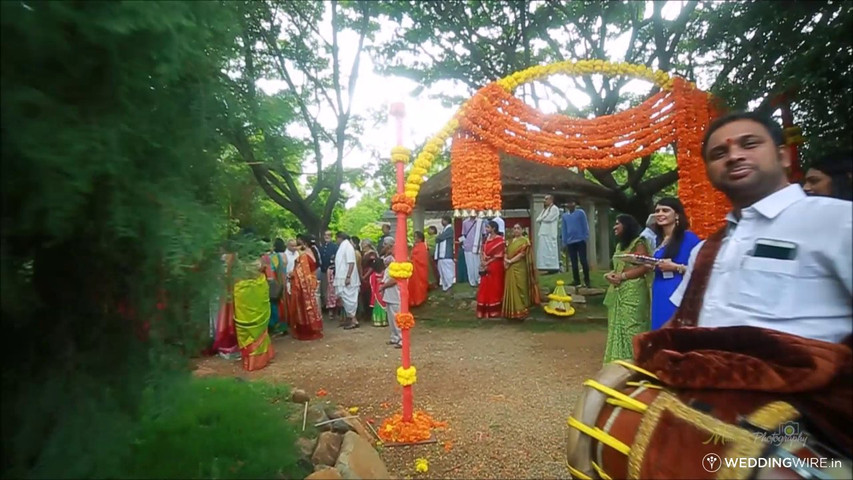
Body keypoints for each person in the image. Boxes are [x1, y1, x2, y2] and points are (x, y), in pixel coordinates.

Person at [669, 111, 852, 343]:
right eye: (719, 153)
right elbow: (683, 322)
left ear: (783, 156)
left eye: (750, 144)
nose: (734, 156)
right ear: (709, 173)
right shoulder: (706, 250)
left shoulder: (838, 221)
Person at [646, 197, 701, 330]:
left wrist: (675, 267)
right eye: (657, 211)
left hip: (677, 289)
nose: (660, 214)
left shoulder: (689, 238)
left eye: (665, 210)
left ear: (676, 214)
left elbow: (701, 269)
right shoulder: (659, 239)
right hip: (659, 289)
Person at [602, 214, 651, 363]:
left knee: (632, 327)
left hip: (633, 291)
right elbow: (616, 268)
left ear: (627, 225)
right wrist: (608, 276)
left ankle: (635, 363)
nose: (614, 227)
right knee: (617, 327)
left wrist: (622, 276)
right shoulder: (619, 246)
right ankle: (616, 363)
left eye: (618, 224)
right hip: (618, 289)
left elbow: (645, 266)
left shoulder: (639, 243)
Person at [233, 251, 275, 371]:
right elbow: (268, 273)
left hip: (243, 292)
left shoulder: (235, 258)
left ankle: (250, 358)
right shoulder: (261, 258)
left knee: (246, 326)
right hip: (258, 290)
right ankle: (260, 358)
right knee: (259, 326)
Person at [288, 234, 323, 340]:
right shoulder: (311, 251)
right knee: (314, 303)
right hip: (312, 280)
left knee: (304, 306)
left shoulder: (303, 256)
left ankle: (307, 329)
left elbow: (301, 272)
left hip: (304, 283)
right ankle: (314, 326)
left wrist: (292, 274)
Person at [502, 224, 540, 320]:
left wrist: (510, 261)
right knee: (511, 287)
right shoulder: (509, 241)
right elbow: (506, 252)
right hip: (510, 268)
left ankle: (522, 309)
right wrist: (506, 261)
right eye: (514, 228)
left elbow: (522, 254)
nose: (516, 230)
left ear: (522, 230)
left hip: (520, 267)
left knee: (521, 287)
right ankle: (511, 311)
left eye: (518, 228)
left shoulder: (525, 241)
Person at [476, 220, 506, 318]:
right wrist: (483, 261)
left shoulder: (500, 240)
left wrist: (487, 262)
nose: (486, 229)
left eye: (488, 227)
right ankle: (484, 311)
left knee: (495, 286)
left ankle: (494, 311)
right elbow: (482, 251)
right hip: (486, 265)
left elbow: (499, 255)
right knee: (484, 286)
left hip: (496, 266)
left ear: (494, 228)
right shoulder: (486, 239)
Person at [333, 231, 361, 329]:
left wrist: (348, 277)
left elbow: (351, 262)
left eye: (336, 238)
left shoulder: (348, 247)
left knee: (350, 299)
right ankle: (350, 319)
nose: (335, 241)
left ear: (340, 238)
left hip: (348, 278)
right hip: (342, 277)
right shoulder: (343, 247)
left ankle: (354, 320)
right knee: (345, 298)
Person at [561, 198, 591, 287]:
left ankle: (587, 280)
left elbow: (585, 225)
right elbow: (564, 229)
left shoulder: (580, 213)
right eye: (568, 203)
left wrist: (585, 236)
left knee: (583, 260)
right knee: (573, 262)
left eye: (572, 202)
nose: (570, 204)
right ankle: (576, 280)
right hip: (570, 242)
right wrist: (564, 241)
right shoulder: (564, 216)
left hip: (580, 240)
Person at [378, 256, 402, 348]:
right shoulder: (389, 267)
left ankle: (401, 339)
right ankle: (394, 337)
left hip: (395, 295)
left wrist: (383, 287)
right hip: (389, 296)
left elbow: (395, 280)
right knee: (391, 319)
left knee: (396, 317)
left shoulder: (397, 266)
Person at [267, 238, 289, 336]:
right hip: (281, 283)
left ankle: (276, 327)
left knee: (275, 305)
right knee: (282, 304)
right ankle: (283, 326)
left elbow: (271, 270)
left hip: (275, 284)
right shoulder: (282, 256)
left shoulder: (273, 257)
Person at [535, 194, 560, 273]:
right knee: (543, 250)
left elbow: (549, 219)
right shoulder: (545, 210)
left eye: (546, 199)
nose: (544, 201)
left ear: (551, 200)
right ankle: (544, 267)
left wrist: (542, 219)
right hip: (543, 232)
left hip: (550, 233)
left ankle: (553, 267)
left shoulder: (554, 209)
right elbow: (537, 219)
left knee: (551, 250)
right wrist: (542, 219)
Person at [460, 214, 484, 287]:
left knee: (477, 264)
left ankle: (479, 280)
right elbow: (463, 234)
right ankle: (472, 282)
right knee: (469, 265)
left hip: (477, 246)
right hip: (468, 246)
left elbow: (484, 233)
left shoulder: (480, 222)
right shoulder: (465, 222)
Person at [358, 239, 378, 323]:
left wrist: (365, 276)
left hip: (368, 275)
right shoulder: (363, 254)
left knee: (369, 294)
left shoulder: (371, 254)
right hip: (363, 274)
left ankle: (369, 313)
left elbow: (372, 266)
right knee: (364, 295)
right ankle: (365, 312)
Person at [434, 216, 455, 292]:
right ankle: (445, 287)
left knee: (448, 271)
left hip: (446, 254)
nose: (441, 222)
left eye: (443, 220)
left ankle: (450, 286)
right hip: (441, 256)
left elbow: (440, 238)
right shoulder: (444, 230)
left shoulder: (449, 230)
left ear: (447, 221)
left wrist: (438, 237)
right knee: (442, 271)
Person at [409, 231, 430, 307]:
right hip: (415, 268)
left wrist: (412, 259)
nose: (414, 238)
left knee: (419, 284)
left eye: (416, 237)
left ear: (420, 238)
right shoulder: (417, 246)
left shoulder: (422, 246)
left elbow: (421, 258)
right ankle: (413, 300)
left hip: (419, 269)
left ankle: (419, 300)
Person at [369, 257, 388, 327]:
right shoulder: (385, 273)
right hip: (384, 291)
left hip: (376, 292)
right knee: (384, 306)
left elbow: (372, 285)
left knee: (377, 307)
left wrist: (373, 294)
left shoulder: (373, 275)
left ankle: (377, 321)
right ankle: (384, 321)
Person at [426, 225, 440, 289]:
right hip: (429, 255)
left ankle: (437, 282)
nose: (429, 231)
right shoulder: (427, 237)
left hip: (434, 254)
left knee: (435, 268)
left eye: (431, 229)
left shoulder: (436, 237)